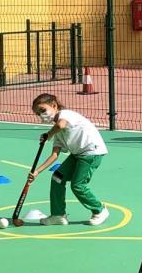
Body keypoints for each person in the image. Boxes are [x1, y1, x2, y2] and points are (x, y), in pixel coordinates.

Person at [27, 93, 109, 226]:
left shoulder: (66, 115)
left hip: (91, 152)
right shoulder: (57, 132)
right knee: (57, 178)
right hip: (77, 155)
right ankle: (58, 215)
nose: (41, 115)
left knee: (78, 185)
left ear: (54, 105)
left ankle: (99, 210)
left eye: (43, 110)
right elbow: (54, 155)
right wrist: (37, 172)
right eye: (38, 113)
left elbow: (60, 125)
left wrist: (48, 135)